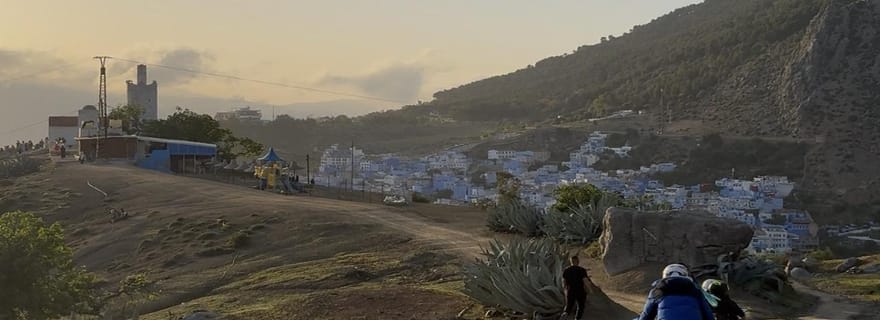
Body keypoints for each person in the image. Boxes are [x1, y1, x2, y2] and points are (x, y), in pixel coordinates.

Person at [637, 264, 715, 320]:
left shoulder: (657, 291)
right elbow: (707, 313)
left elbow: (647, 315)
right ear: (685, 275)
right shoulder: (695, 290)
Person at [561, 255, 590, 320]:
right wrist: (589, 289)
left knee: (568, 307)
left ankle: (564, 315)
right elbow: (585, 281)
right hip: (580, 291)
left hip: (570, 291)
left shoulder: (566, 270)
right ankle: (577, 319)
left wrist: (566, 291)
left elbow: (564, 283)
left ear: (571, 262)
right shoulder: (582, 270)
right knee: (580, 306)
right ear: (577, 261)